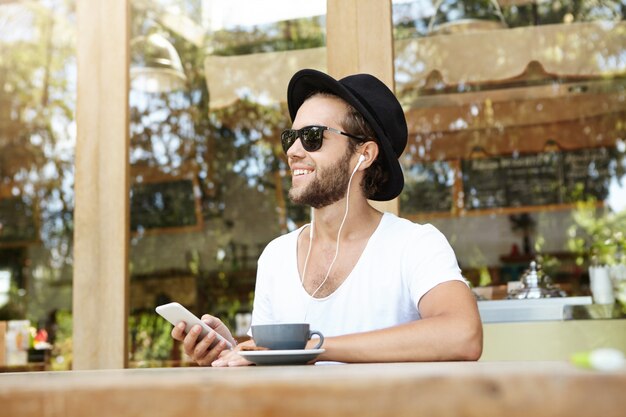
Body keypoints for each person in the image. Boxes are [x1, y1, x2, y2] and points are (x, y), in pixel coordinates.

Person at [171, 69, 483, 366]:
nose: (293, 150)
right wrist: (233, 351)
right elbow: (271, 366)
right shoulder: (276, 257)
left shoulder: (414, 245)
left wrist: (317, 347)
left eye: (312, 136)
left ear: (364, 155)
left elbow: (463, 334)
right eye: (291, 137)